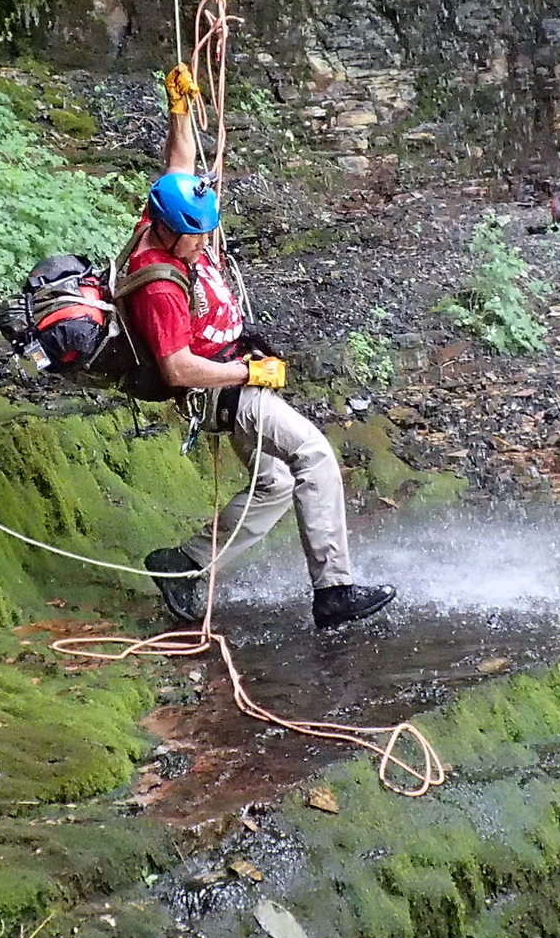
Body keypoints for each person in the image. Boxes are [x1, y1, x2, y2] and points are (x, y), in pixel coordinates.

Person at [129, 64, 397, 632]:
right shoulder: (157, 283)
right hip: (225, 390)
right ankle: (334, 592)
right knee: (315, 455)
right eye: (196, 236)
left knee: (272, 483)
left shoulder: (167, 215)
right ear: (170, 232)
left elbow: (179, 169)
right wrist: (253, 378)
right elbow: (176, 368)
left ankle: (184, 564)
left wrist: (179, 109)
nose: (205, 244)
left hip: (236, 369)